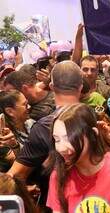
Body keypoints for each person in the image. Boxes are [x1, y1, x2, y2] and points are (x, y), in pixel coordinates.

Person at [7, 61, 84, 211]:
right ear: (80, 87)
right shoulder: (93, 119)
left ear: (52, 87)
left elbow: (14, 176)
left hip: (57, 204)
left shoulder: (43, 127)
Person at [46, 103, 110, 213]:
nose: (61, 148)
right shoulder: (59, 176)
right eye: (57, 140)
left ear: (93, 134)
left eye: (69, 139)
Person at [0, 90, 34, 171]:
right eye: (25, 105)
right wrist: (15, 145)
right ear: (10, 111)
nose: (29, 107)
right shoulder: (3, 137)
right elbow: (21, 165)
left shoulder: (31, 123)